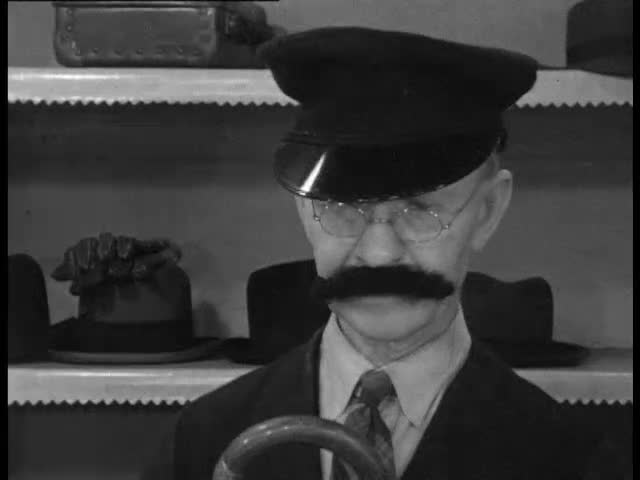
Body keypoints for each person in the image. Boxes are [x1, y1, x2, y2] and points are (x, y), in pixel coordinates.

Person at [141, 27, 623, 480]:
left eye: (421, 210)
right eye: (343, 208)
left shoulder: (569, 461)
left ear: (487, 212)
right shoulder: (202, 442)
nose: (378, 254)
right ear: (304, 209)